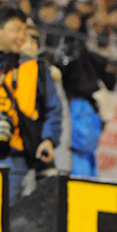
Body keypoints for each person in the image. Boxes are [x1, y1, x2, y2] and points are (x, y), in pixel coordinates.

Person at [0, 5, 61, 205]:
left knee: (3, 211)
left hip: (14, 156)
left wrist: (48, 139)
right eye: (16, 30)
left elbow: (53, 109)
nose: (22, 37)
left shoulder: (36, 69)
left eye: (24, 31)